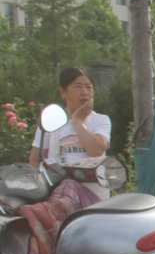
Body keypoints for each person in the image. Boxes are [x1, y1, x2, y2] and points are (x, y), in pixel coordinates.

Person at [28, 66, 111, 203]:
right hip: (57, 190)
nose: (85, 92)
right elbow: (35, 160)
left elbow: (97, 150)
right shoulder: (51, 121)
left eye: (89, 87)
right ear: (63, 93)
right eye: (78, 87)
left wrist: (77, 120)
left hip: (92, 194)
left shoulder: (101, 120)